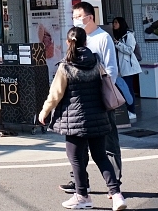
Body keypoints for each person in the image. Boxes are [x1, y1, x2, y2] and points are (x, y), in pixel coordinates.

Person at [38, 27, 127, 211]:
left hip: (75, 120)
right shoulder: (96, 61)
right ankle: (117, 195)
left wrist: (44, 112)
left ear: (68, 42)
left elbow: (55, 95)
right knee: (101, 156)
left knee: (76, 159)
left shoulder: (65, 66)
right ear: (85, 42)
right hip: (98, 117)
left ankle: (82, 196)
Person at [62, 2, 121, 195]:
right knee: (80, 145)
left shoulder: (103, 38)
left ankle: (115, 182)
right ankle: (79, 182)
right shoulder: (76, 38)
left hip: (100, 100)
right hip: (80, 101)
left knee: (108, 142)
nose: (76, 20)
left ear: (90, 17)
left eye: (79, 16)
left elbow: (112, 69)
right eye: (74, 17)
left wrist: (103, 90)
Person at [110, 17, 141, 122]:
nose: (114, 24)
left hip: (127, 67)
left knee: (128, 89)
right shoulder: (115, 35)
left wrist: (117, 43)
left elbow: (129, 50)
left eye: (116, 22)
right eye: (113, 22)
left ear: (121, 23)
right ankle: (125, 110)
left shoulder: (128, 35)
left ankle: (131, 111)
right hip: (118, 68)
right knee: (121, 89)